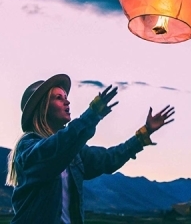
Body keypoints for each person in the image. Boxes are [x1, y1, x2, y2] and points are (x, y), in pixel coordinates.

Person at [6, 73, 175, 223]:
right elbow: (53, 151)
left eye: (65, 96)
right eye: (58, 97)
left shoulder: (74, 152)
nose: (67, 101)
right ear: (43, 108)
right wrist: (91, 116)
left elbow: (108, 159)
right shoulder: (27, 147)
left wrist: (143, 135)